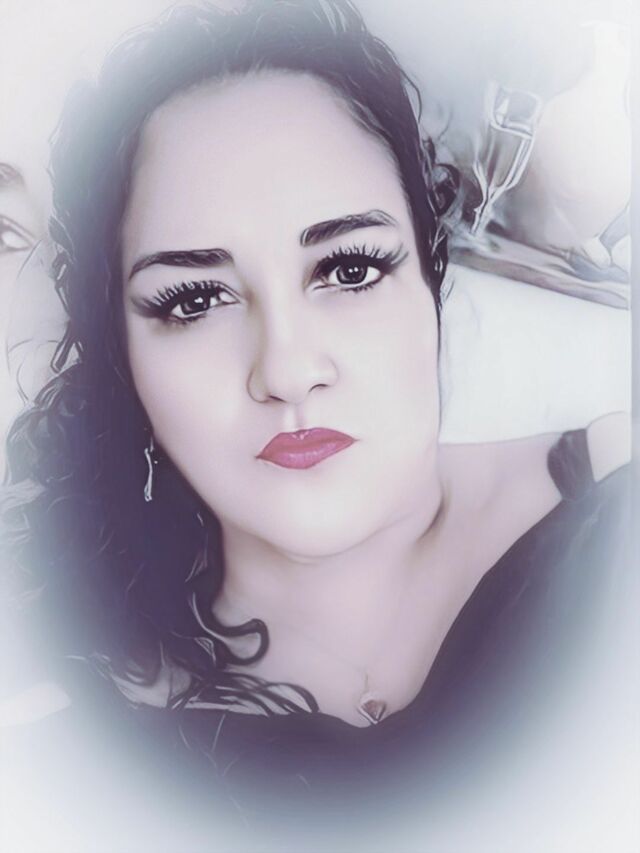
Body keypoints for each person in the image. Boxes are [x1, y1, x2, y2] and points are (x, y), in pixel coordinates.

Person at [1, 0, 632, 848]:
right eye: (195, 299)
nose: (288, 369)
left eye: (349, 268)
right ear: (124, 359)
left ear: (429, 281)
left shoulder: (617, 522)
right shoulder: (62, 746)